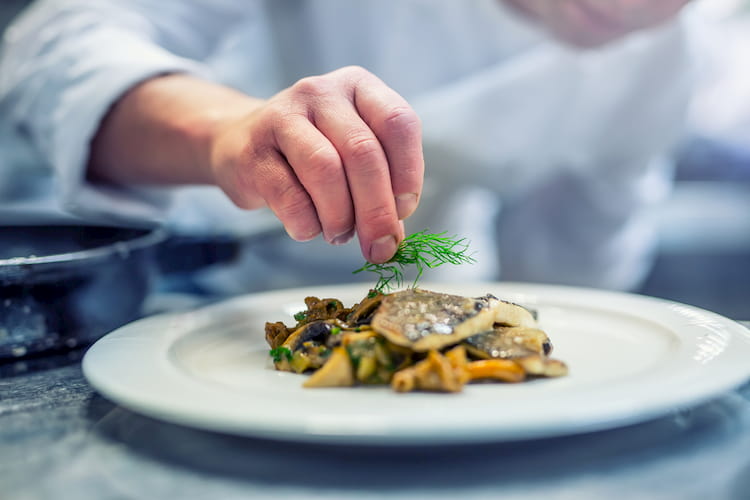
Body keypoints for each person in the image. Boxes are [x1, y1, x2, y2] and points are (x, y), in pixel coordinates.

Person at [0, 0, 695, 293]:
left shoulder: (667, 60)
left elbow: (575, 279)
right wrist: (229, 135)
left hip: (415, 350)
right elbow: (51, 46)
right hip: (153, 295)